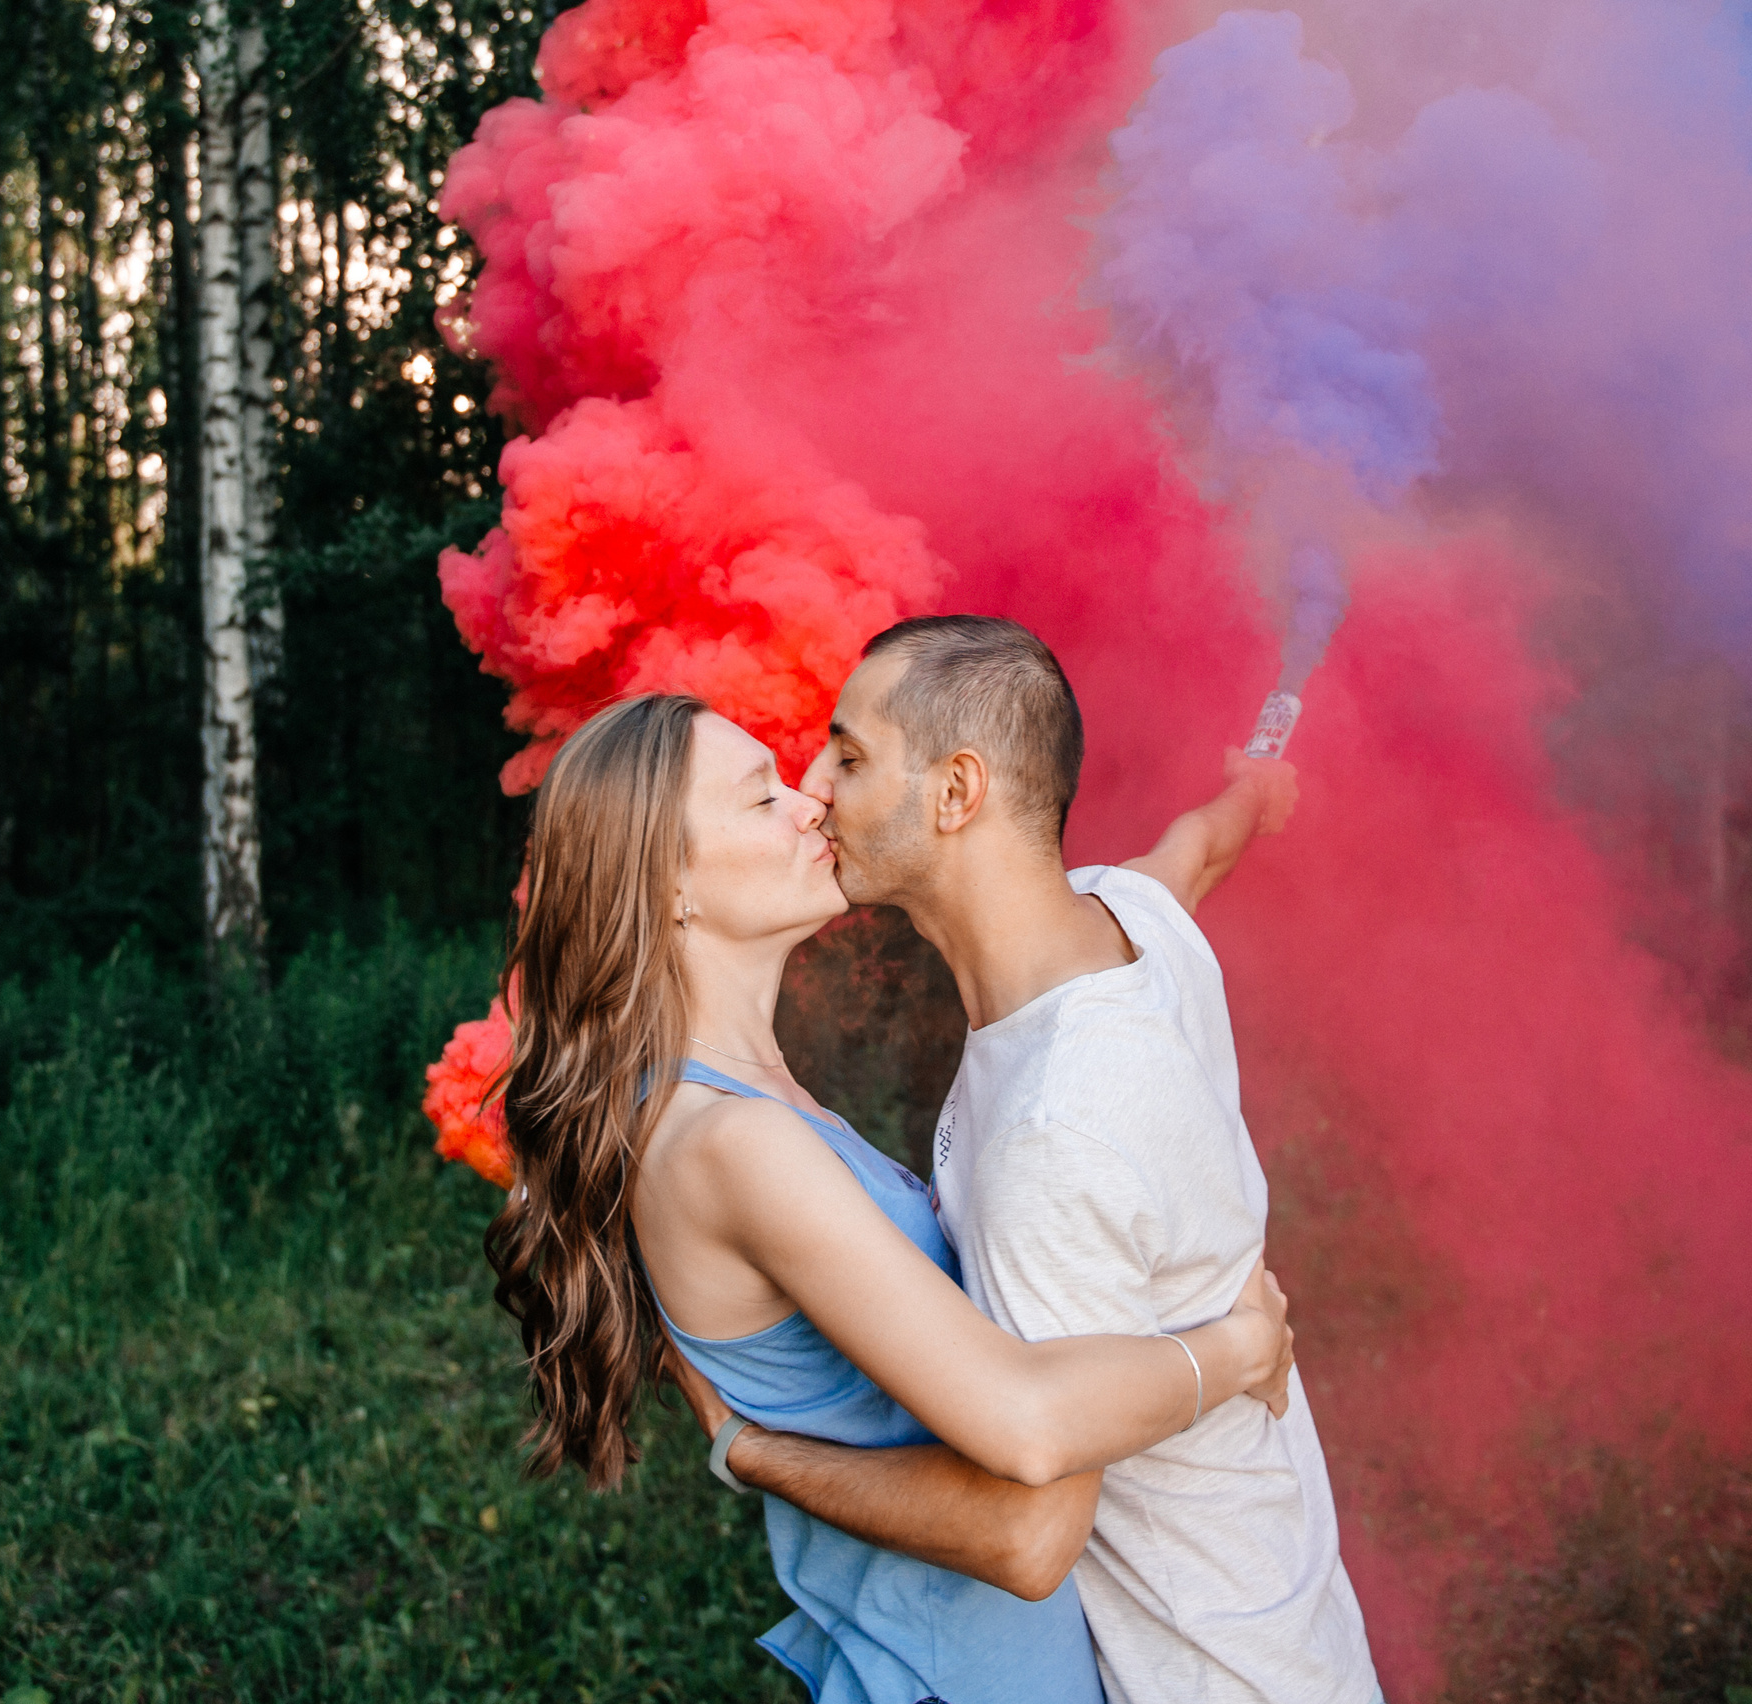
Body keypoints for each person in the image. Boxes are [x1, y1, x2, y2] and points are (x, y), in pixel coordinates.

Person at [481, 691, 1299, 1704]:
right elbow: (1029, 1464)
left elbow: (1160, 879)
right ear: (667, 885)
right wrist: (1237, 1350)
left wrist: (1242, 802)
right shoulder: (734, 1141)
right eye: (760, 799)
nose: (809, 806)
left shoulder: (743, 1103)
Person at [674, 616, 1381, 1703]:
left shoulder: (1055, 1137)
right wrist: (1257, 789)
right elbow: (1193, 851)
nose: (817, 788)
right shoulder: (1126, 920)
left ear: (955, 795)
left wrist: (752, 1451)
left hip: (1193, 1675)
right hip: (1294, 1631)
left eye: (851, 758)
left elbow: (1027, 1531)